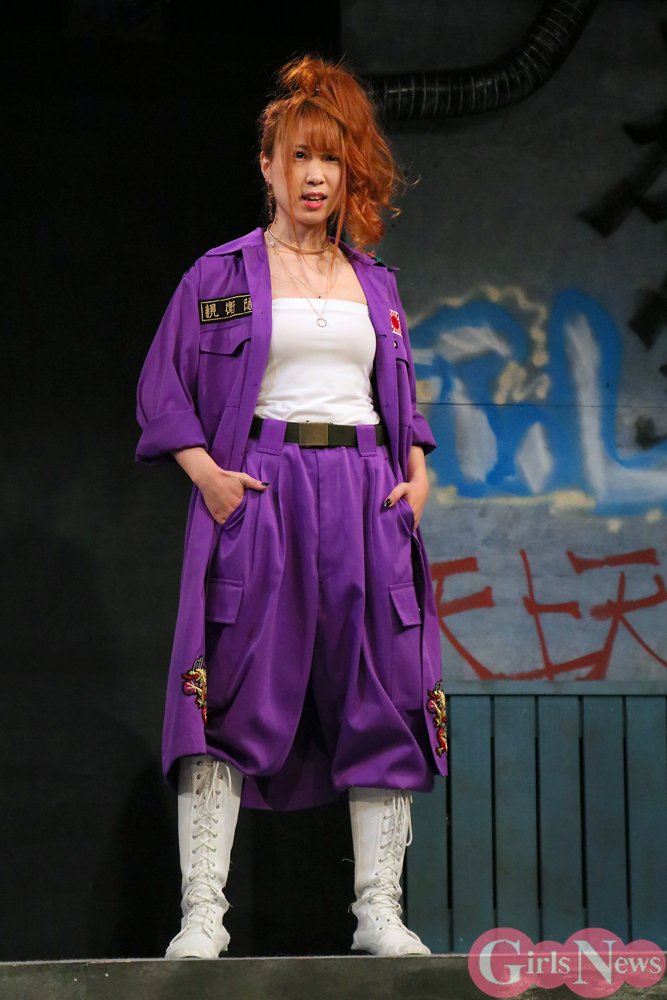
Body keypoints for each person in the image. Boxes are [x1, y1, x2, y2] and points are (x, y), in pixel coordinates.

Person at [135, 53, 449, 960]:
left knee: (382, 691)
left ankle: (378, 912)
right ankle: (203, 913)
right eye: (300, 157)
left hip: (363, 491)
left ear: (346, 173)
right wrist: (208, 474)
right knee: (225, 690)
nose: (315, 176)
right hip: (262, 485)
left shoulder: (374, 282)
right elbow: (162, 390)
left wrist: (416, 470)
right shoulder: (221, 275)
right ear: (267, 167)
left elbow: (402, 399)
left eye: (331, 160)